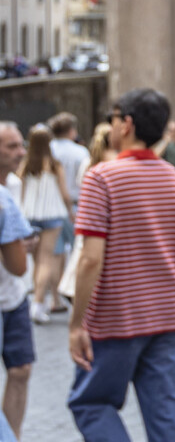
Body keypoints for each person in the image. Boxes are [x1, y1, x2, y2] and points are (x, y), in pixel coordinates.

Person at [68, 88, 175, 441]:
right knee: (164, 421)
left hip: (117, 317)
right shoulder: (174, 180)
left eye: (114, 118)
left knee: (91, 403)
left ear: (127, 124)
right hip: (169, 317)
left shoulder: (102, 177)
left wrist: (77, 323)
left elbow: (90, 260)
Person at [17, 125, 73, 324]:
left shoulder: (25, 164)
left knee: (37, 262)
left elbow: (20, 191)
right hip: (52, 214)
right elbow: (65, 194)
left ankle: (37, 300)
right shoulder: (54, 165)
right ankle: (38, 302)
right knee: (46, 259)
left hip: (30, 214)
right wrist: (70, 212)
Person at [0, 123, 34, 439]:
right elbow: (18, 263)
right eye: (11, 146)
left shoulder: (14, 185)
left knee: (21, 370)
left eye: (20, 145)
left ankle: (13, 434)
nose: (20, 152)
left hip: (14, 297)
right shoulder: (2, 198)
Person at [48, 112, 90, 311]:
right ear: (72, 130)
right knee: (78, 253)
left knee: (55, 255)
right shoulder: (80, 152)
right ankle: (77, 297)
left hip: (52, 208)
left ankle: (54, 298)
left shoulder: (48, 150)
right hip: (76, 205)